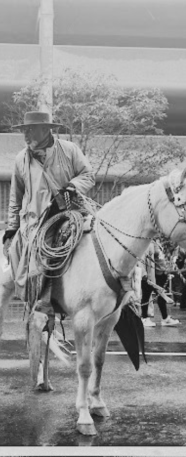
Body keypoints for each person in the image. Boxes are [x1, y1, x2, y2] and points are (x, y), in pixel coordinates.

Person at [3, 111, 95, 327]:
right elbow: (15, 198)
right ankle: (44, 302)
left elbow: (88, 175)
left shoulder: (69, 150)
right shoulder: (20, 159)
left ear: (46, 130)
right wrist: (11, 228)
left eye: (31, 129)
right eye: (24, 130)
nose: (26, 135)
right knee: (39, 252)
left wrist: (73, 187)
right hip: (36, 222)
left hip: (70, 212)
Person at [141, 242, 180, 327]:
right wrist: (144, 273)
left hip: (161, 273)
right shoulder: (149, 242)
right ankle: (144, 318)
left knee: (160, 297)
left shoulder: (158, 243)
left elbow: (163, 258)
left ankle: (165, 318)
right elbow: (142, 258)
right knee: (146, 296)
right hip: (151, 274)